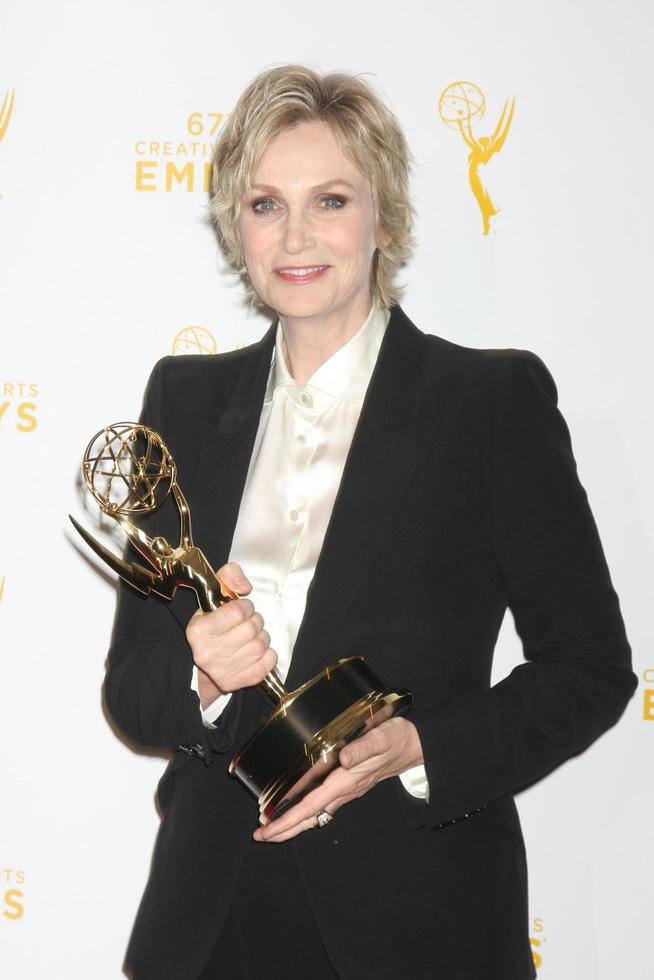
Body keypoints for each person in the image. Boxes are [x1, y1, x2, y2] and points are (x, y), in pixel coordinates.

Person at [105, 65, 636, 980]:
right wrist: (198, 672)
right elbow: (130, 690)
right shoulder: (183, 402)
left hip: (419, 915)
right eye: (266, 205)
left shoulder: (489, 402)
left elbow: (589, 671)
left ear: (384, 217)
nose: (297, 236)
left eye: (332, 200)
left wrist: (421, 746)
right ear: (237, 225)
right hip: (210, 921)